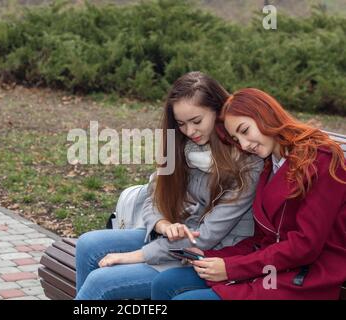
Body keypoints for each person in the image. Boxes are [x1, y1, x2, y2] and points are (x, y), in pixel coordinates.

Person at [75, 72, 263, 300]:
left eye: (197, 121)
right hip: (174, 238)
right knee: (87, 245)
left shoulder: (246, 164)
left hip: (209, 251)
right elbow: (155, 192)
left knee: (100, 283)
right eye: (181, 124)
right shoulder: (183, 147)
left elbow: (205, 237)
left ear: (219, 111)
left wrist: (136, 255)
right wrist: (162, 224)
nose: (190, 131)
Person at [151, 88, 346, 300]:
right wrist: (211, 255)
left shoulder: (322, 160)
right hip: (271, 267)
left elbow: (305, 247)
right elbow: (262, 239)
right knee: (166, 283)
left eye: (245, 130)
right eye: (236, 138)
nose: (244, 145)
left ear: (266, 115)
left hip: (306, 276)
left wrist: (231, 267)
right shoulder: (269, 165)